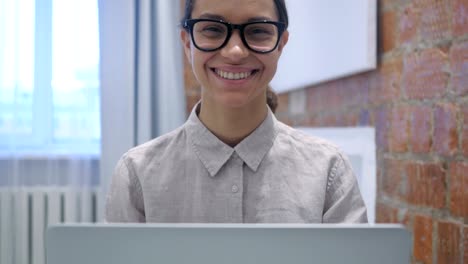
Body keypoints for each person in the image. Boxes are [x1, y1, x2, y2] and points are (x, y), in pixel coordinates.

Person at [106, 0, 368, 223]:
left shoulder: (329, 172)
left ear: (281, 44)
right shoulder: (137, 175)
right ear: (187, 43)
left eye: (257, 31)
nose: (234, 51)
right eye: (212, 29)